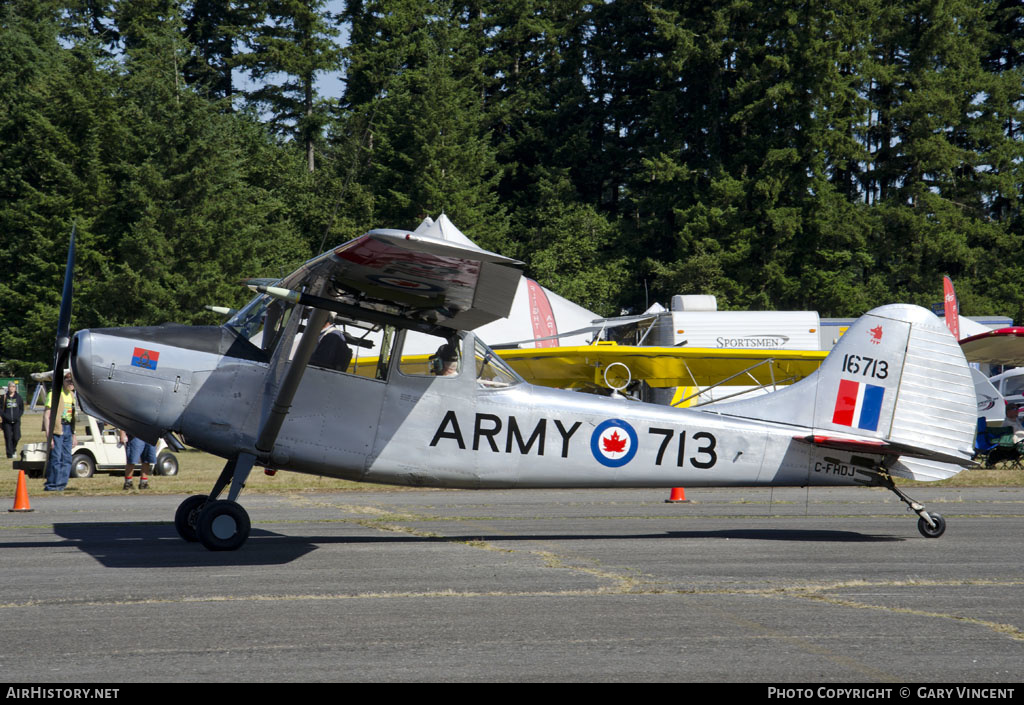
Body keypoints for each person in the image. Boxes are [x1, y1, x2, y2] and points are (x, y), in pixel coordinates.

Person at [42, 372, 76, 491]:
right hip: (57, 428)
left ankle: (61, 484)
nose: (71, 384)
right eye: (68, 381)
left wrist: (74, 434)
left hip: (68, 428)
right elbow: (47, 415)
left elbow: (73, 417)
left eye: (72, 382)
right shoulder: (54, 394)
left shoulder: (72, 395)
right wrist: (49, 435)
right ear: (63, 381)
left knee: (67, 458)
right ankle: (52, 485)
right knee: (56, 457)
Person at [1, 380, 24, 458]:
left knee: (17, 436)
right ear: (8, 388)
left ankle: (13, 449)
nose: (12, 388)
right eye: (10, 386)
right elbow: (0, 409)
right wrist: (5, 416)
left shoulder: (18, 397)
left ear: (15, 388)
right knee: (8, 437)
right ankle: (9, 454)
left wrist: (18, 416)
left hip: (16, 421)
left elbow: (21, 409)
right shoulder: (4, 397)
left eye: (13, 387)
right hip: (6, 421)